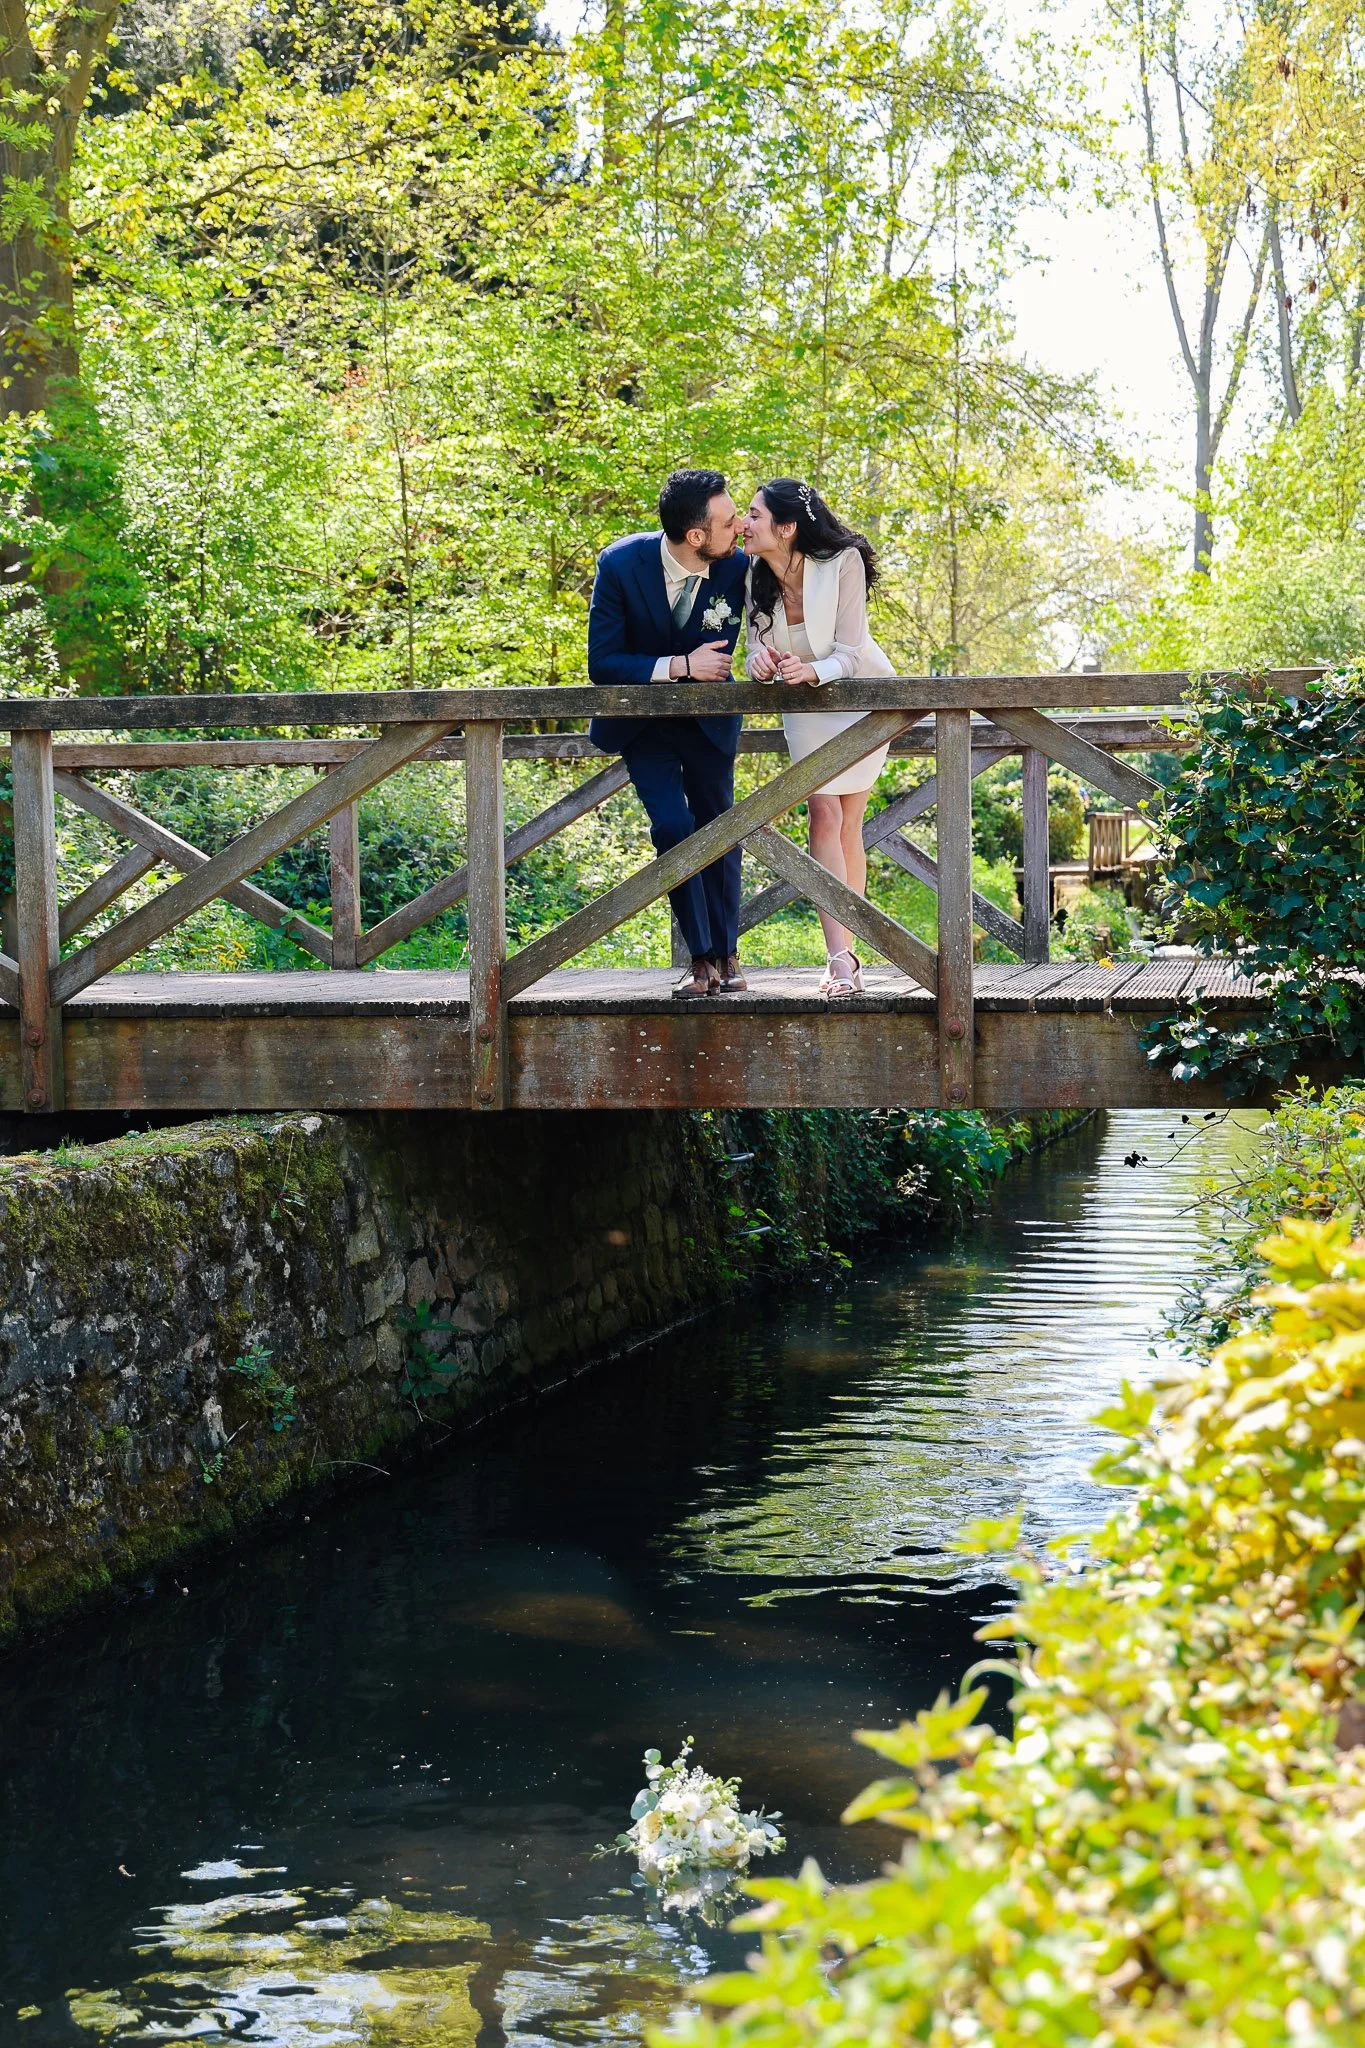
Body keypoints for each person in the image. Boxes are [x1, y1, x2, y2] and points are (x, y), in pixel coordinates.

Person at [588, 468, 749, 1000]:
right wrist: (679, 665)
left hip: (709, 726)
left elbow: (792, 596)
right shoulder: (620, 564)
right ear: (695, 536)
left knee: (719, 833)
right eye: (729, 521)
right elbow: (603, 662)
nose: (741, 526)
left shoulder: (737, 566)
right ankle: (699, 958)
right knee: (673, 828)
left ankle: (727, 954)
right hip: (644, 727)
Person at [742, 478, 893, 999]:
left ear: (787, 528)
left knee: (851, 822)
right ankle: (839, 959)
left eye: (755, 515)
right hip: (803, 706)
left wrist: (813, 670)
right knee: (822, 814)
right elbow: (752, 650)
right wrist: (761, 663)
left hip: (859, 696)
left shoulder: (843, 563)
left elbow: (850, 651)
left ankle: (851, 951)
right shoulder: (753, 573)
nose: (745, 522)